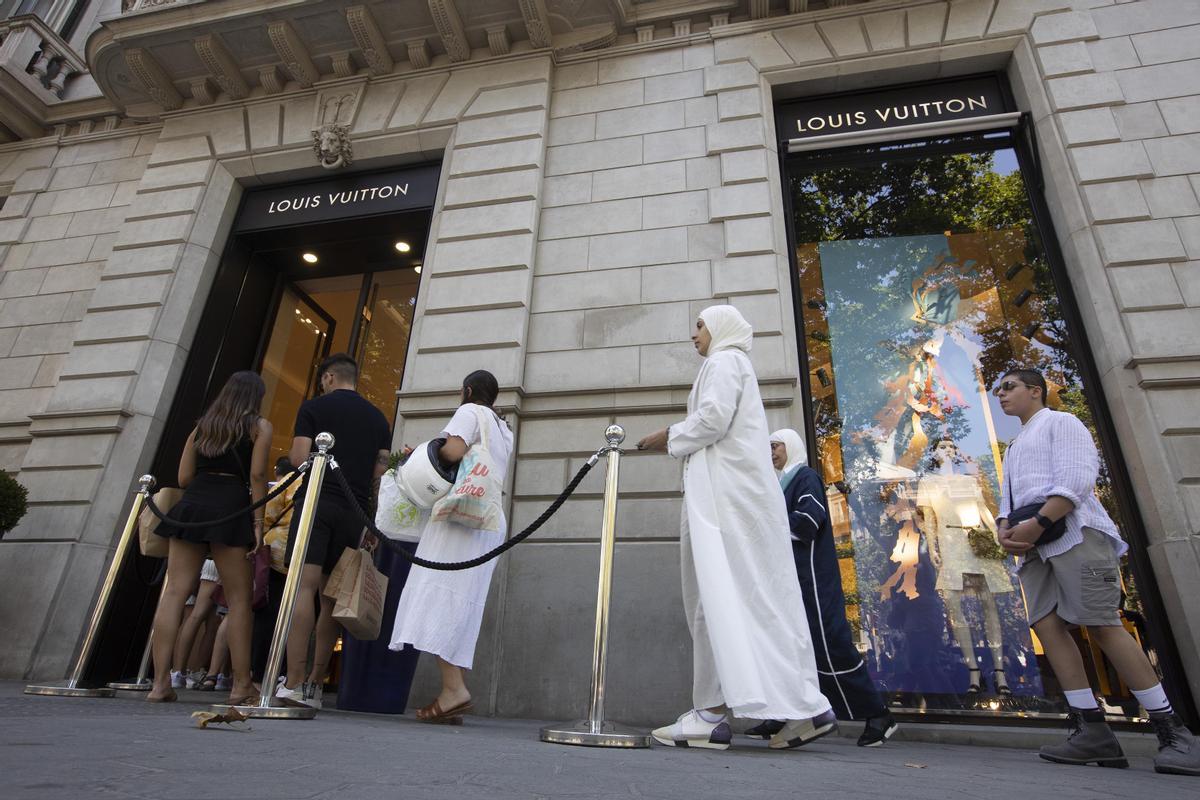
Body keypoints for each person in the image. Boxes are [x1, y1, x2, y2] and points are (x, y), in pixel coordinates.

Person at [636, 305, 835, 751]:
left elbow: (712, 420)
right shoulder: (733, 364)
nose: (693, 335)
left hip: (722, 504)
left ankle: (711, 714)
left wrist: (667, 436)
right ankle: (803, 707)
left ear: (720, 327)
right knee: (754, 601)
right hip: (733, 501)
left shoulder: (724, 362)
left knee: (713, 599)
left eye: (700, 325)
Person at [995, 367, 1198, 775]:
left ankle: (1174, 733)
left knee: (1102, 623)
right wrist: (1004, 530)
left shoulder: (1061, 421)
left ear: (1036, 391)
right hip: (1034, 548)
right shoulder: (1015, 445)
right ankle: (1091, 731)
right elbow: (1008, 498)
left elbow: (1077, 478)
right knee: (1048, 626)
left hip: (1076, 534)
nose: (1001, 395)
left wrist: (1040, 523)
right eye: (999, 390)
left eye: (1009, 387)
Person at [742, 429, 897, 747]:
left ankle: (878, 714)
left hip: (813, 581)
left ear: (792, 446)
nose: (770, 452)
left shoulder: (805, 477)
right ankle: (787, 714)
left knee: (830, 646)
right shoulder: (781, 482)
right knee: (793, 649)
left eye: (775, 446)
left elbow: (807, 521)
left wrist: (766, 524)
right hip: (790, 582)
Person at [389, 370, 513, 724]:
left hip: (460, 518)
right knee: (460, 602)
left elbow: (454, 451)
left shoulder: (469, 412)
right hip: (487, 518)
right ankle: (452, 690)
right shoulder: (503, 429)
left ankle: (454, 689)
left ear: (468, 390)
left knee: (438, 593)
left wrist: (424, 454)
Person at [146, 370, 271, 705]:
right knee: (239, 598)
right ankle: (241, 685)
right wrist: (258, 522)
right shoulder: (258, 426)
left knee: (174, 593)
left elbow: (184, 477)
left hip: (193, 505)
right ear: (255, 397)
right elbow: (258, 474)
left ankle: (160, 684)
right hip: (230, 509)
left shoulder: (202, 427)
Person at [277, 353, 391, 710]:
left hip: (317, 504)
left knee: (304, 589)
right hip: (354, 513)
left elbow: (298, 459)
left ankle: (293, 681)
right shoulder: (378, 418)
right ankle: (314, 684)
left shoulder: (314, 408)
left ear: (328, 377)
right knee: (330, 599)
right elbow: (379, 472)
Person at [251, 457, 298, 681]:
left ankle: (259, 671)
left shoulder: (292, 479)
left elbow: (268, 511)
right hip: (306, 559)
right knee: (294, 616)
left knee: (267, 613)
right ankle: (285, 671)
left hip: (278, 553)